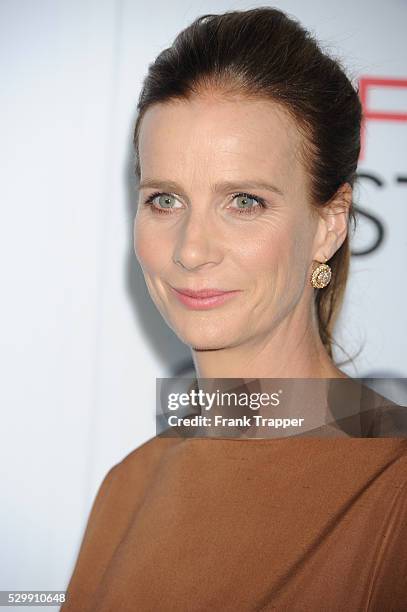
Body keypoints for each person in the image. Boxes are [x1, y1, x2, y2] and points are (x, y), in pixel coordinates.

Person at [61, 7, 407, 611]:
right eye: (165, 199)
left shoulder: (392, 489)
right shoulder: (125, 490)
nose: (191, 249)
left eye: (244, 201)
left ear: (328, 224)